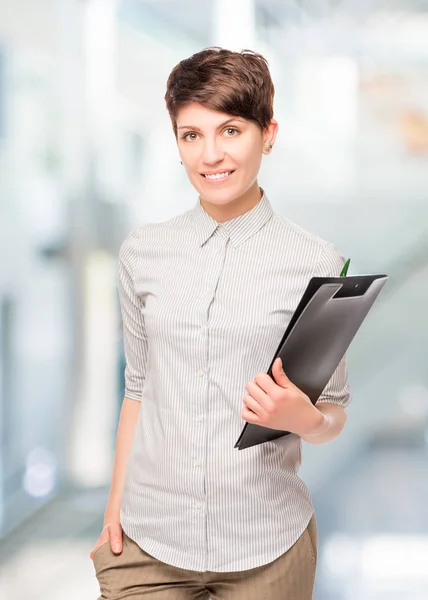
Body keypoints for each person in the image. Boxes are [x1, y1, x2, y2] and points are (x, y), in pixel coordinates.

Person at [89, 47, 352, 600]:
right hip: (148, 544)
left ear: (268, 133)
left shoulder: (315, 261)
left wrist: (302, 417)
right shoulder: (143, 252)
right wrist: (116, 507)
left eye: (230, 131)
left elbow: (334, 412)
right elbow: (138, 386)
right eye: (191, 135)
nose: (210, 155)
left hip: (267, 545)